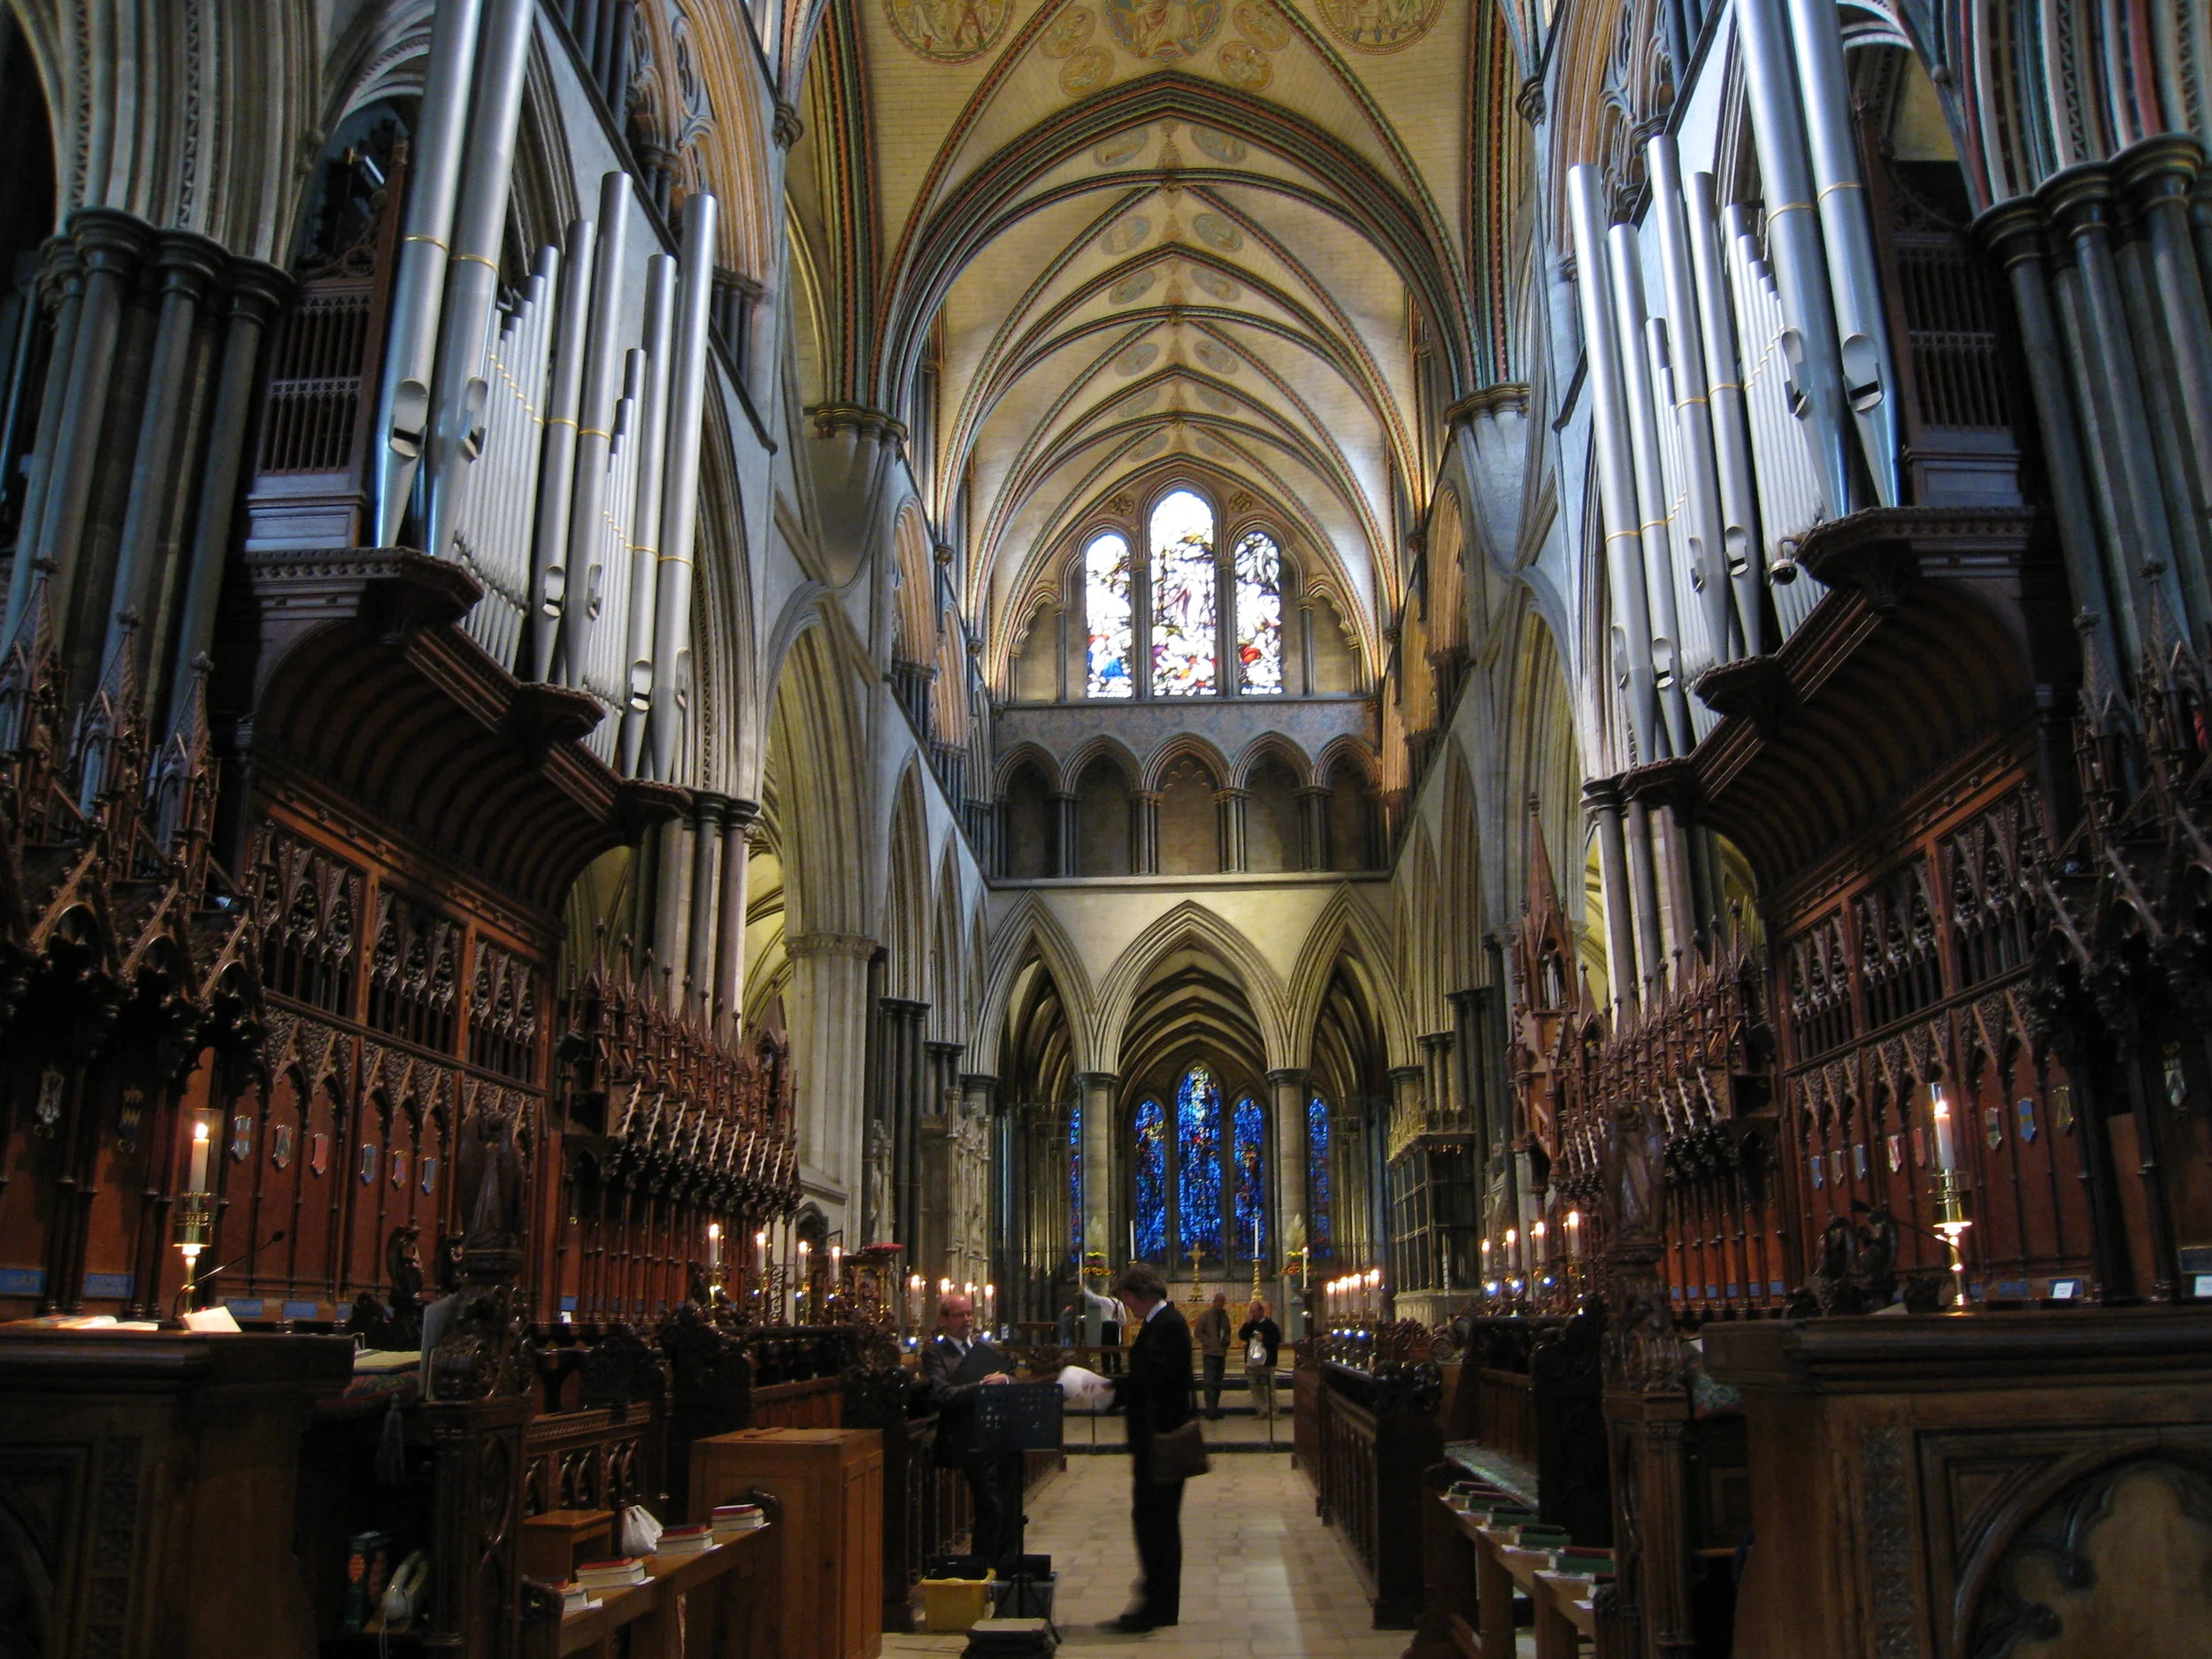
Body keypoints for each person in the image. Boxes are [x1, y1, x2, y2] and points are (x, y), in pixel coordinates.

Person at [1105, 1261, 1193, 1633]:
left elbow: (1155, 1379)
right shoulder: (1160, 1324)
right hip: (1155, 1438)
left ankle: (1156, 1606)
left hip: (1162, 1440)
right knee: (1154, 1521)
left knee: (1155, 1522)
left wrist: (1106, 1389)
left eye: (1127, 1300)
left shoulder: (1168, 1325)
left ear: (1139, 1294)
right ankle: (1159, 1602)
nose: (1128, 1309)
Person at [922, 1291, 1023, 1565]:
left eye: (969, 1313)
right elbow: (944, 1393)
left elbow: (1013, 1378)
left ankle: (1005, 1566)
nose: (967, 1319)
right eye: (959, 1315)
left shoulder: (986, 1348)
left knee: (1010, 1507)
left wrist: (1006, 1380)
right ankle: (983, 1568)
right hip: (967, 1438)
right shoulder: (936, 1353)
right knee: (990, 1507)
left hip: (999, 1435)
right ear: (944, 1319)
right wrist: (980, 1387)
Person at [1238, 1298, 1283, 1420]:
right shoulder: (1250, 1324)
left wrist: (1264, 1338)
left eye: (1254, 1311)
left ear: (1261, 1311)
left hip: (1266, 1361)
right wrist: (1246, 1323)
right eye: (1250, 1311)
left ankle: (1273, 1410)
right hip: (1252, 1361)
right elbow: (1241, 1336)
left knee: (1268, 1387)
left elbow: (1277, 1340)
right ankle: (1261, 1410)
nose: (1252, 1313)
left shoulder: (1270, 1325)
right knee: (1255, 1387)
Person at [1194, 1291, 1231, 1418]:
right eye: (1219, 1301)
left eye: (1222, 1302)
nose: (1221, 1304)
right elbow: (1198, 1331)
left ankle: (1215, 1408)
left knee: (1218, 1383)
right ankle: (1209, 1410)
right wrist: (1208, 1342)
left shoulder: (1224, 1316)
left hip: (1221, 1353)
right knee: (1209, 1383)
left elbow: (1228, 1331)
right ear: (1214, 1302)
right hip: (1210, 1353)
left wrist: (1226, 1340)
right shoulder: (1207, 1315)